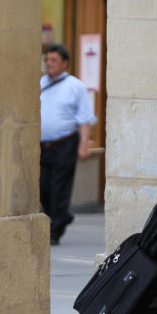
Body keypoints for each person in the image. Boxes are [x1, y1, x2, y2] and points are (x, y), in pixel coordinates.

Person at [40, 44, 95, 245]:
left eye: (54, 60)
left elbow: (84, 118)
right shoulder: (40, 83)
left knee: (59, 187)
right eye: (47, 60)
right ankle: (60, 216)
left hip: (65, 144)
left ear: (65, 63)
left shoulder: (75, 86)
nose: (49, 64)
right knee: (42, 187)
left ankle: (55, 230)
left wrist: (84, 145)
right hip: (42, 146)